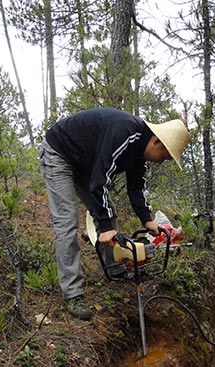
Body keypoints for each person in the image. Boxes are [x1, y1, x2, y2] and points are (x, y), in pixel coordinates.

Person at [39, 108, 190, 320]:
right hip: (59, 152)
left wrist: (147, 220)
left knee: (108, 212)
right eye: (164, 156)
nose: (161, 161)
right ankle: (73, 294)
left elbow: (135, 187)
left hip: (83, 161)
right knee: (67, 224)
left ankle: (115, 268)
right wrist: (106, 228)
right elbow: (99, 181)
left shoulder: (140, 148)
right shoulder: (124, 133)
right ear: (156, 141)